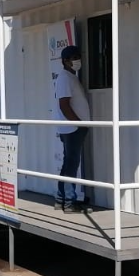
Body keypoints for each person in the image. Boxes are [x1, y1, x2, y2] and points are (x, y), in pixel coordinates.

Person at [53, 45, 90, 213]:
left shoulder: (70, 77)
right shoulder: (65, 78)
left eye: (78, 56)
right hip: (72, 129)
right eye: (73, 57)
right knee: (71, 165)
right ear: (65, 61)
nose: (77, 60)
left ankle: (61, 200)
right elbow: (64, 105)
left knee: (68, 163)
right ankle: (69, 202)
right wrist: (78, 123)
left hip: (73, 128)